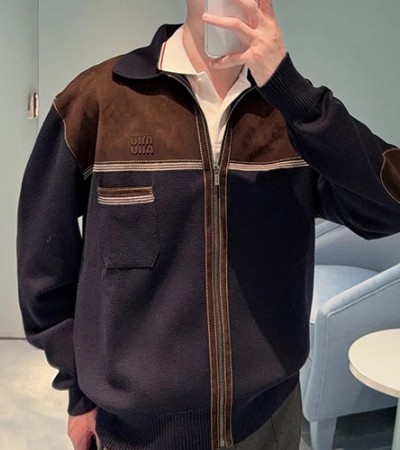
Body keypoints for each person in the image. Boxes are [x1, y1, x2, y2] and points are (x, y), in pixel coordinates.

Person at [17, 0, 400, 449]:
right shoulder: (100, 101)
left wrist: (292, 91)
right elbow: (43, 260)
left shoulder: (290, 117)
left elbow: (388, 205)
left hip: (267, 421)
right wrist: (77, 390)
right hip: (136, 431)